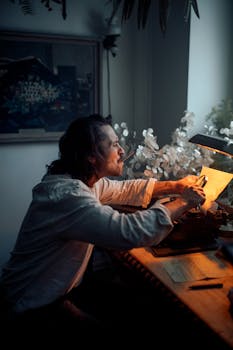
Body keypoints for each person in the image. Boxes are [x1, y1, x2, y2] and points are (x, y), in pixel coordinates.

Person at [0, 114, 206, 345]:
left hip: (52, 295)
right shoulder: (67, 196)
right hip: (31, 308)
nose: (121, 150)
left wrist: (176, 186)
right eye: (114, 145)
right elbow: (127, 232)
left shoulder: (82, 181)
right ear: (91, 157)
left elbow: (124, 190)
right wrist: (183, 202)